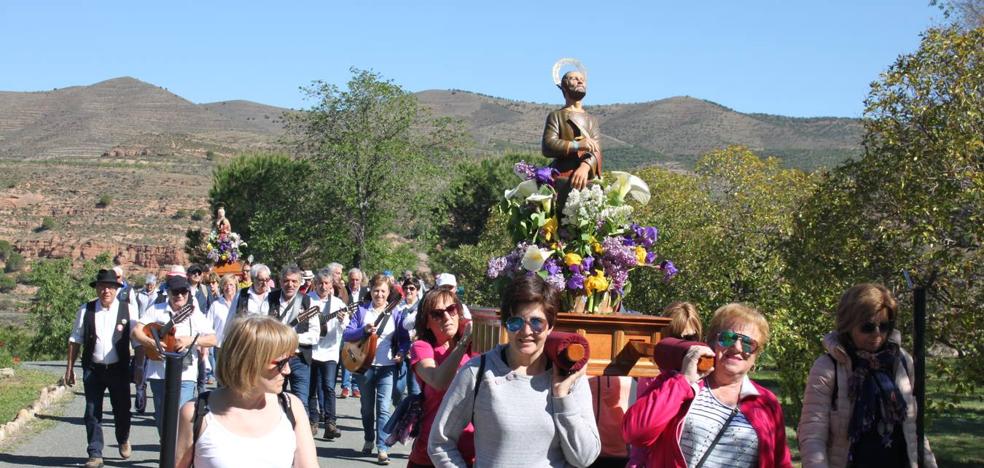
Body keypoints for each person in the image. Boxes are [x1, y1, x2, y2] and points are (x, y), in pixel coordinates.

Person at [429, 274, 600, 467]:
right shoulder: (478, 372)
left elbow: (584, 458)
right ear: (505, 325)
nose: (526, 332)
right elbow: (439, 443)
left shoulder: (570, 378)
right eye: (516, 322)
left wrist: (562, 396)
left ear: (550, 326)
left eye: (536, 322)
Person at [623, 303, 792, 468]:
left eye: (748, 343)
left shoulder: (765, 402)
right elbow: (636, 433)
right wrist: (684, 381)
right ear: (710, 343)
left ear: (756, 354)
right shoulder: (678, 384)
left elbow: (780, 462)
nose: (737, 347)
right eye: (727, 338)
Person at [798, 284, 936, 468]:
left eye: (884, 326)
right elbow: (813, 434)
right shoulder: (829, 367)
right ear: (848, 325)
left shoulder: (900, 362)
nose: (877, 334)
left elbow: (913, 427)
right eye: (868, 327)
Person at [174, 315, 318, 468]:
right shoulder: (197, 413)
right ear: (249, 361)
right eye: (281, 362)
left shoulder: (291, 407)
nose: (287, 370)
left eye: (290, 360)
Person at [65, 269, 138, 468]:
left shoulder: (128, 310)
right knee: (92, 411)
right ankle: (95, 453)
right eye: (102, 287)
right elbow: (75, 339)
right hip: (93, 369)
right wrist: (69, 368)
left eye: (110, 287)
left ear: (116, 289)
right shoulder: (86, 310)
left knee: (122, 409)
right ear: (97, 289)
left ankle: (123, 438)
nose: (106, 291)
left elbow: (137, 340)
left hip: (119, 367)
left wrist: (139, 367)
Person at [132, 274, 217, 437]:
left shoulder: (194, 314)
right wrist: (151, 343)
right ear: (168, 293)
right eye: (175, 292)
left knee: (180, 415)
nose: (179, 295)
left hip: (185, 373)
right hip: (159, 372)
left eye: (183, 292)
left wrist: (189, 340)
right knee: (161, 418)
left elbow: (213, 338)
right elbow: (137, 331)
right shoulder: (156, 309)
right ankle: (167, 451)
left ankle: (177, 456)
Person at [343, 274, 411, 465]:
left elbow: (404, 340)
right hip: (363, 366)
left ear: (388, 293)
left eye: (383, 291)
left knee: (383, 409)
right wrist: (363, 330)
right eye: (376, 290)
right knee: (366, 409)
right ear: (370, 291)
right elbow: (348, 333)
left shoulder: (396, 314)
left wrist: (402, 352)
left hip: (387, 367)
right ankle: (368, 439)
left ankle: (382, 448)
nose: (379, 294)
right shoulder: (362, 311)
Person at [407, 288, 475, 467]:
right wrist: (462, 344)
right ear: (427, 322)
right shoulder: (422, 347)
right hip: (430, 454)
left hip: (470, 449)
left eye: (451, 309)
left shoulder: (474, 346)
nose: (446, 317)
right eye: (437, 314)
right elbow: (438, 381)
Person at [541, 65, 602, 214]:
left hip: (586, 180)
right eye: (574, 79)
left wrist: (585, 167)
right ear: (563, 86)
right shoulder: (556, 116)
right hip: (563, 177)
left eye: (582, 79)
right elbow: (548, 145)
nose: (580, 82)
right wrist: (577, 145)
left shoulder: (591, 119)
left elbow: (597, 150)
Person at [267, 265, 321, 418]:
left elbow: (315, 335)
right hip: (274, 358)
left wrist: (292, 338)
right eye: (286, 281)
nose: (290, 285)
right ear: (280, 281)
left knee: (300, 401)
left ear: (300, 282)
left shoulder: (308, 302)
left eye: (294, 281)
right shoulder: (270, 299)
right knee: (273, 399)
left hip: (299, 358)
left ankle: (299, 437)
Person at [307, 268, 349, 440]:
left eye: (327, 284)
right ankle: (313, 421)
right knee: (311, 388)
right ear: (315, 284)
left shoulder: (338, 304)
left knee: (329, 387)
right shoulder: (308, 300)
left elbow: (345, 327)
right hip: (310, 349)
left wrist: (340, 320)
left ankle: (331, 423)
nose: (323, 287)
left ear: (332, 285)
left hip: (330, 351)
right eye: (320, 283)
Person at [205, 274, 239, 386]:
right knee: (222, 378)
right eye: (225, 285)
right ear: (222, 287)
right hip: (220, 347)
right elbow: (208, 325)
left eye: (231, 285)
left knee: (236, 377)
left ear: (236, 286)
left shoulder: (240, 303)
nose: (228, 287)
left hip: (238, 345)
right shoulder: (216, 305)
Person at [394, 276, 423, 404]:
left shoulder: (422, 308)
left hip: (417, 354)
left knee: (415, 391)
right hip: (400, 352)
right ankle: (400, 413)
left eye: (412, 288)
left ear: (417, 290)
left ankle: (412, 420)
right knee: (397, 390)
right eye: (405, 288)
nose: (408, 291)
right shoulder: (397, 307)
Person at [133, 273, 159, 414]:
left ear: (155, 284)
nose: (149, 286)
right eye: (147, 284)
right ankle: (140, 395)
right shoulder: (139, 295)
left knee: (152, 363)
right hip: (141, 330)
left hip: (154, 332)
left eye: (151, 284)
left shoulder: (160, 295)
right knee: (140, 365)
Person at [341, 267, 367, 399]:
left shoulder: (365, 292)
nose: (354, 282)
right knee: (348, 356)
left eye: (357, 280)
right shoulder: (343, 291)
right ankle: (345, 386)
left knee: (358, 358)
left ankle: (356, 387)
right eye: (352, 279)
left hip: (361, 329)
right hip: (347, 328)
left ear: (361, 280)